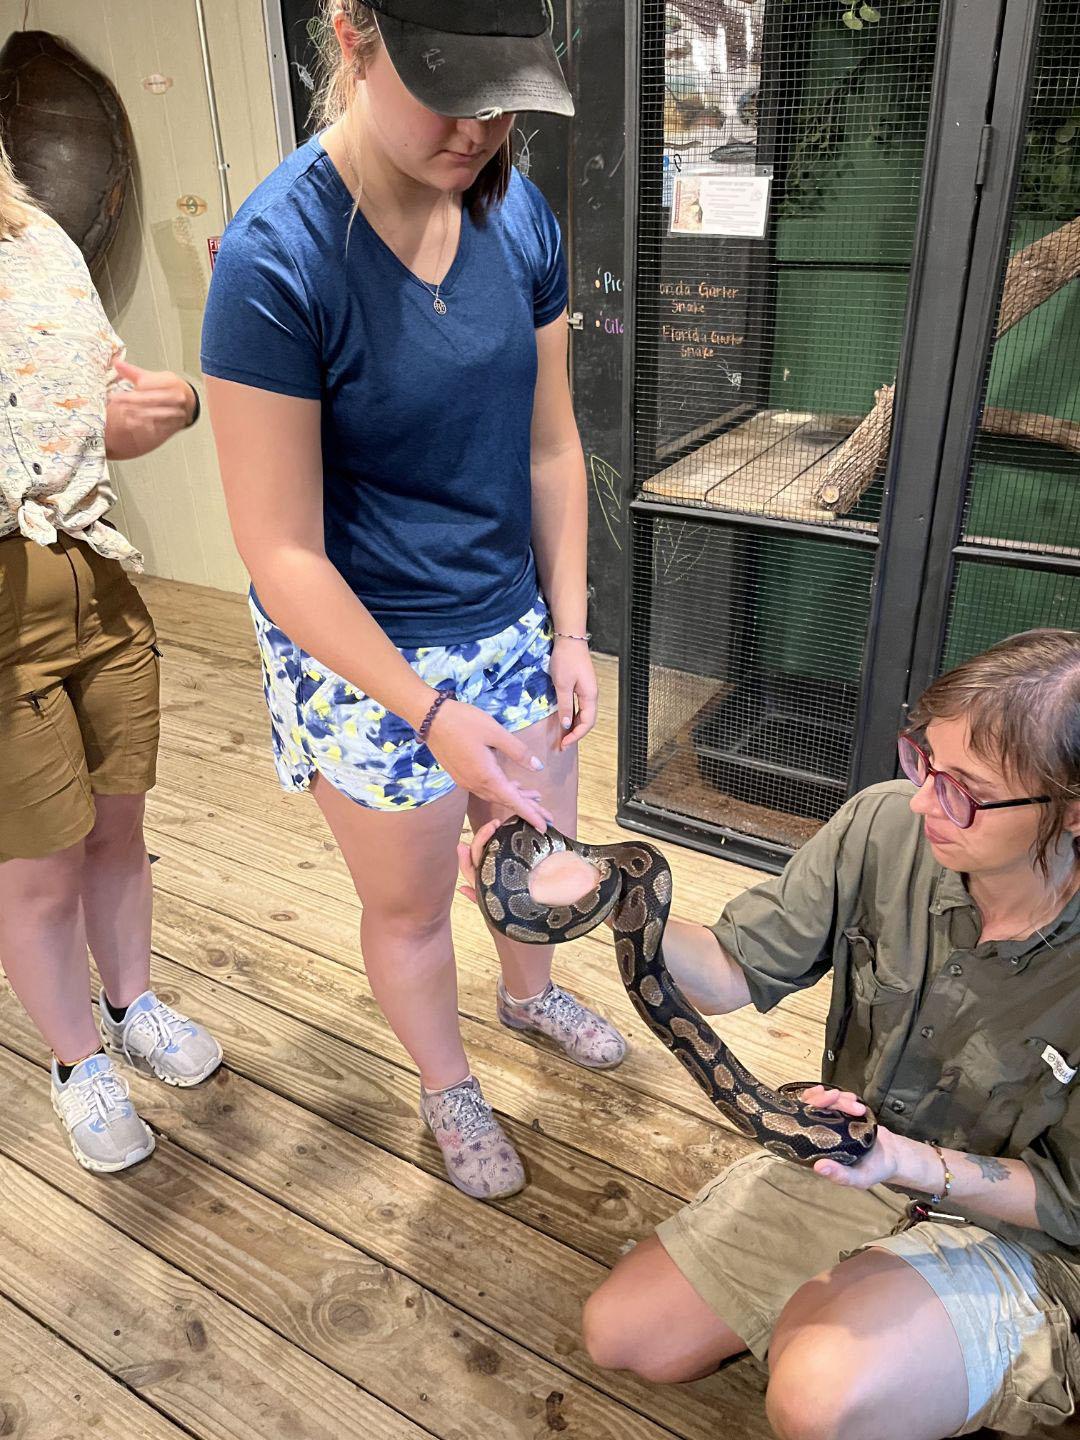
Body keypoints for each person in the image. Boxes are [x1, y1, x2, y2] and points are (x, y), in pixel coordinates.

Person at [200, 0, 626, 1202]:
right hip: (364, 650)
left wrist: (572, 628)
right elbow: (279, 552)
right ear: (352, 31)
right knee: (410, 900)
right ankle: (445, 1081)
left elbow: (552, 448)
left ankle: (531, 997)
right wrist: (429, 713)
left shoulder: (516, 212)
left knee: (534, 849)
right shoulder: (275, 258)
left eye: (507, 98)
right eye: (453, 89)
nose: (483, 127)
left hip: (509, 618)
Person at [461, 628, 1080, 1436]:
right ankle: (882, 1323)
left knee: (817, 1395)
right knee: (625, 1335)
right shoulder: (884, 826)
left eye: (964, 788)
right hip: (849, 1157)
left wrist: (906, 1162)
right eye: (922, 760)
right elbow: (725, 971)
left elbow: (1071, 1199)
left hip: (1021, 1233)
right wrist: (607, 893)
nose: (925, 800)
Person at [0, 138, 222, 1173]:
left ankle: (132, 1004)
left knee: (117, 828)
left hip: (99, 575)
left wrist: (168, 405)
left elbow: (95, 417)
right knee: (35, 867)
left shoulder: (36, 234)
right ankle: (74, 1061)